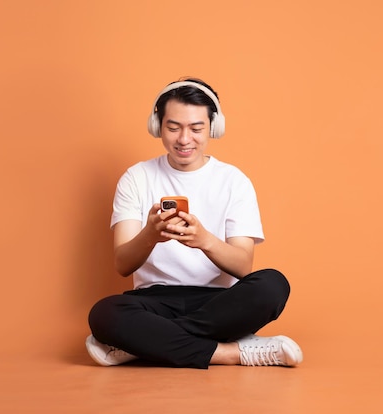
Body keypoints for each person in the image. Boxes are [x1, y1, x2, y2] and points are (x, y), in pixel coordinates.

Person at [86, 78, 303, 369]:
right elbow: (123, 264)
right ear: (157, 126)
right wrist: (150, 235)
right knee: (104, 314)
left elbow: (243, 266)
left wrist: (205, 240)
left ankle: (143, 345)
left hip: (218, 304)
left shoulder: (234, 181)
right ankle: (233, 353)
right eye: (173, 128)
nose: (184, 139)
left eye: (196, 128)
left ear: (213, 128)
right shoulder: (136, 178)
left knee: (273, 285)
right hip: (154, 302)